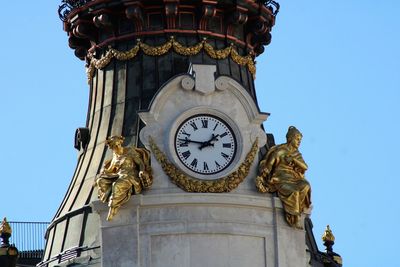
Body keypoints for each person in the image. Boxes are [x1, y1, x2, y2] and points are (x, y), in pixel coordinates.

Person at [256, 126, 311, 228]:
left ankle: (298, 209)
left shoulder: (296, 153)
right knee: (294, 191)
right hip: (281, 178)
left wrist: (294, 160)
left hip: (294, 178)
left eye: (300, 140)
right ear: (290, 138)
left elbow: (305, 167)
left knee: (306, 185)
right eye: (297, 139)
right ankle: (293, 217)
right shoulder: (280, 151)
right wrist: (265, 172)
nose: (299, 142)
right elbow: (269, 164)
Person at [95, 135, 153, 221]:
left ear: (120, 143)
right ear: (112, 148)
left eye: (118, 145)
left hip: (131, 175)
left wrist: (142, 171)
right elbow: (110, 169)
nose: (117, 147)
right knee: (101, 181)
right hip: (119, 175)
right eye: (114, 147)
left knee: (116, 185)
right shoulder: (115, 155)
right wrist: (103, 172)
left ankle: (113, 208)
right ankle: (109, 199)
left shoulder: (129, 151)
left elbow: (140, 163)